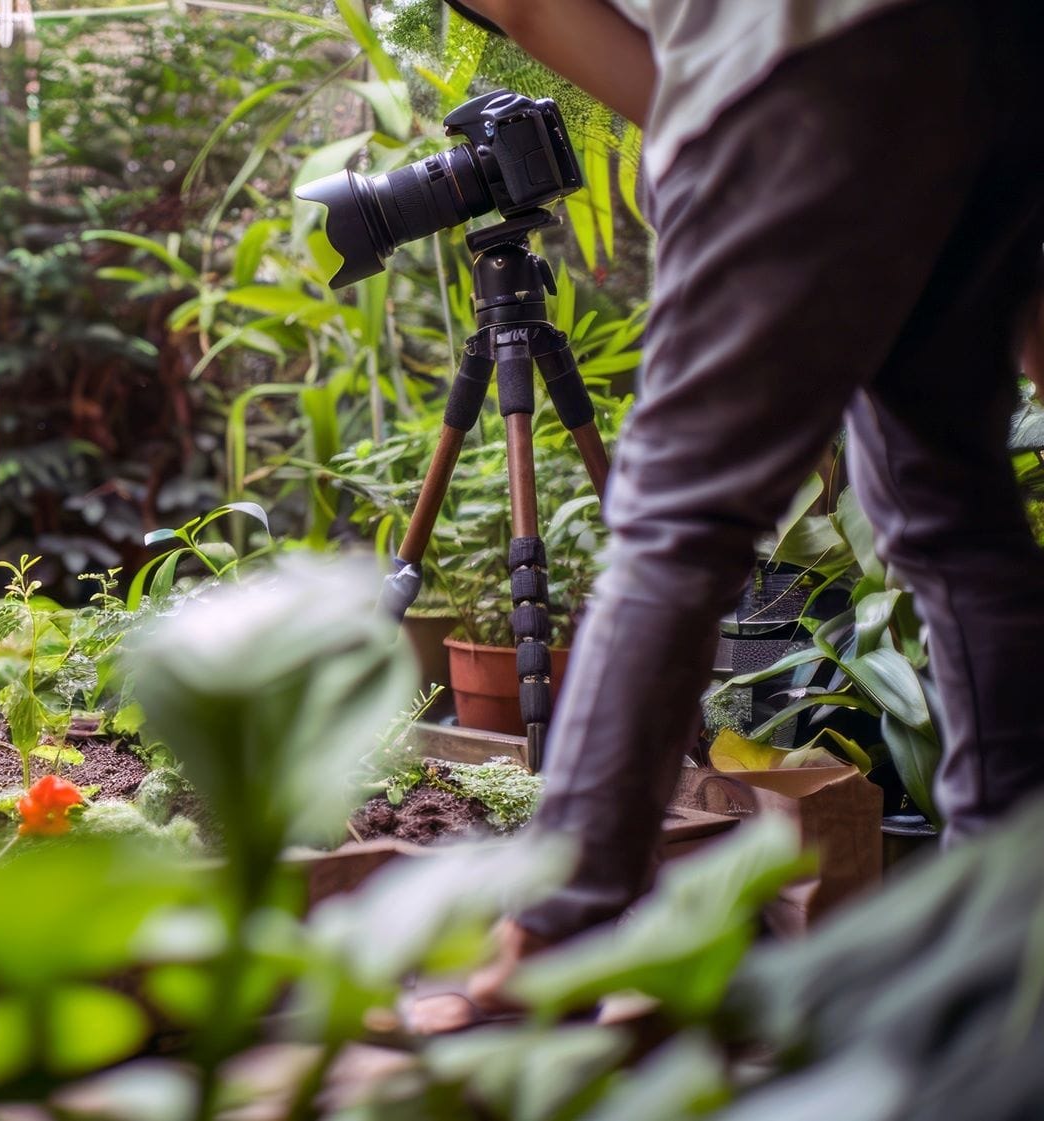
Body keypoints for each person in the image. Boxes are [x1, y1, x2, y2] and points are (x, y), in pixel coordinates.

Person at [414, 0, 1044, 1031]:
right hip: (982, 65)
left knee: (674, 524)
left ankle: (550, 939)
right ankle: (1005, 925)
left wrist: (731, 154)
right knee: (953, 524)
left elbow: (529, 5)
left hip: (792, 66)